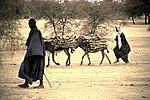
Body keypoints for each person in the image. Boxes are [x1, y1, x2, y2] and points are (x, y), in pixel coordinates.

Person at [18, 19, 45, 88]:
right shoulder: (35, 32)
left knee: (26, 65)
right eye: (29, 23)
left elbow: (33, 42)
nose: (30, 25)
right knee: (34, 67)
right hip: (38, 52)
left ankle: (39, 84)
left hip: (34, 52)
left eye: (31, 23)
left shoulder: (35, 32)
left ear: (34, 23)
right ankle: (27, 83)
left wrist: (31, 50)